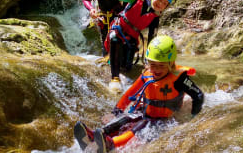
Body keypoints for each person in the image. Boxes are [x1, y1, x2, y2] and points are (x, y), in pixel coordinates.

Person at [74, 35, 204, 153]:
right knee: (126, 118)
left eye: (161, 66)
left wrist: (193, 118)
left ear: (171, 63)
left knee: (141, 127)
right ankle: (96, 135)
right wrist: (116, 110)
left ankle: (112, 144)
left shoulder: (179, 78)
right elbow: (130, 92)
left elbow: (198, 95)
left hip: (162, 119)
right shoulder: (147, 74)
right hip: (145, 111)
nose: (156, 70)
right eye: (153, 65)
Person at [82, 0, 178, 92]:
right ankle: (115, 78)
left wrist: (149, 63)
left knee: (126, 67)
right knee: (114, 39)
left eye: (164, 3)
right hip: (117, 31)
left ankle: (114, 64)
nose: (160, 4)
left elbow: (152, 42)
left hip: (130, 41)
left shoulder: (155, 18)